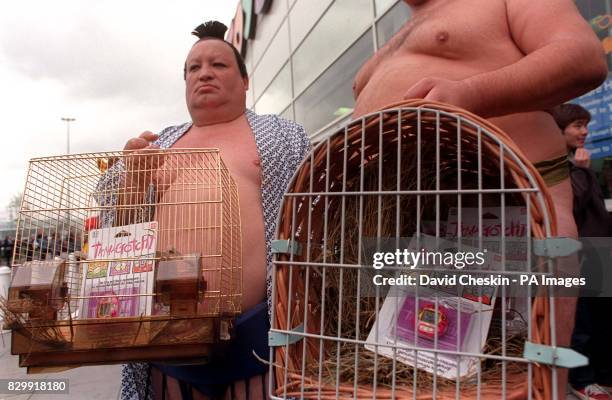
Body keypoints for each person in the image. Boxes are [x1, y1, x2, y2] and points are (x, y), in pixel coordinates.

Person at [352, 0, 607, 396]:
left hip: (509, 212)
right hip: (405, 229)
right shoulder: (394, 38)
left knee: (522, 380)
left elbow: (582, 56)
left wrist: (468, 94)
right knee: (409, 371)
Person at [110, 21, 310, 400]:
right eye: (193, 67)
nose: (204, 73)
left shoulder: (282, 136)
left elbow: (316, 218)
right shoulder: (158, 145)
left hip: (255, 338)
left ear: (245, 80)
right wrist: (132, 183)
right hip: (166, 343)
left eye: (218, 65)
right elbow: (116, 237)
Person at [552, 103, 612, 400]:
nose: (584, 131)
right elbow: (571, 204)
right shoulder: (562, 166)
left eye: (585, 125)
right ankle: (582, 379)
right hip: (580, 255)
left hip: (599, 254)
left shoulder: (576, 163)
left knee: (602, 321)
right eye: (577, 125)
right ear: (560, 130)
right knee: (582, 321)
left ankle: (601, 376)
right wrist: (582, 170)